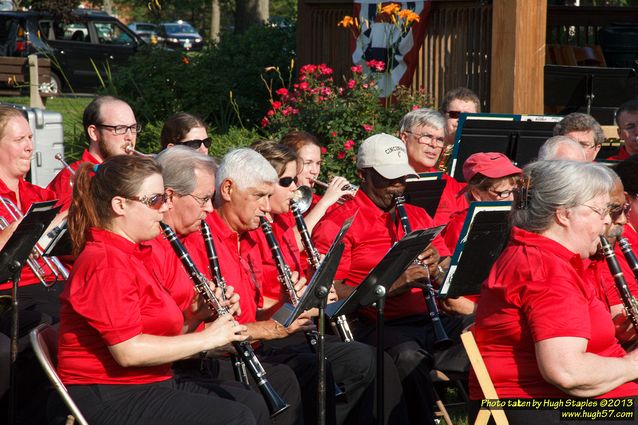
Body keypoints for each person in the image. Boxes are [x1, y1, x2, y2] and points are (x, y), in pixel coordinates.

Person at [58, 154, 269, 425]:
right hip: (109, 394)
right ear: (120, 205)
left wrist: (196, 316)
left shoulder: (137, 252)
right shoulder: (106, 261)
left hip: (148, 382)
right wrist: (209, 338)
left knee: (249, 400)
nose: (164, 208)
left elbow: (157, 334)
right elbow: (128, 351)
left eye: (165, 198)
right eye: (155, 200)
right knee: (235, 417)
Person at [312, 133, 470, 425]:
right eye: (389, 179)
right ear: (363, 175)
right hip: (378, 324)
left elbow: (448, 268)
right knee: (410, 358)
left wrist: (436, 268)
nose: (399, 186)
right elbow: (330, 293)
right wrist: (392, 285)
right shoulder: (338, 222)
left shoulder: (417, 214)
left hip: (430, 319)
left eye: (403, 178)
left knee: (483, 328)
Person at [250, 140, 408, 425]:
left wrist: (319, 280)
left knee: (374, 361)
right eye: (288, 182)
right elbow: (259, 305)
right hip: (271, 337)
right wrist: (308, 302)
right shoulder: (257, 228)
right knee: (351, 364)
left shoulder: (285, 222)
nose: (297, 190)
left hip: (297, 328)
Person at [471, 160, 638, 424]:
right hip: (547, 407)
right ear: (563, 214)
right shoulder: (546, 271)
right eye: (599, 210)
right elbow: (567, 373)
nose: (608, 220)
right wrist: (632, 365)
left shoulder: (548, 258)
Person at [152, 145, 304, 425]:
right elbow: (158, 340)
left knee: (292, 377)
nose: (209, 209)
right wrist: (205, 321)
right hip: (188, 365)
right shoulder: (173, 245)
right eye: (203, 199)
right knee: (254, 400)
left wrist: (285, 306)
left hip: (210, 353)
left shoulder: (221, 237)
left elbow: (188, 326)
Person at [47, 95, 140, 210]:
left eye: (133, 127)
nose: (130, 136)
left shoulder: (137, 172)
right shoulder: (72, 178)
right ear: (94, 133)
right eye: (119, 128)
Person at [398, 108, 468, 225]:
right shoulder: (388, 184)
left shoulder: (450, 185)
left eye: (440, 139)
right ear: (405, 138)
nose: (434, 145)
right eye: (427, 136)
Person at [280, 130, 356, 234]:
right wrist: (324, 204)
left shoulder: (317, 201)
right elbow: (290, 244)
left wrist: (352, 203)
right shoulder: (278, 204)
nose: (315, 171)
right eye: (308, 163)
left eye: (318, 163)